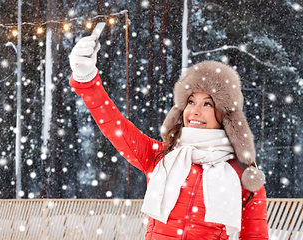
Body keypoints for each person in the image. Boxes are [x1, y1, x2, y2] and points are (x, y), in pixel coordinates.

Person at [69, 35, 268, 239]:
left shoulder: (245, 177)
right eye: (191, 102)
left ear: (225, 114)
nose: (195, 111)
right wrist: (88, 81)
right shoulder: (161, 158)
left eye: (207, 104)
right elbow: (114, 127)